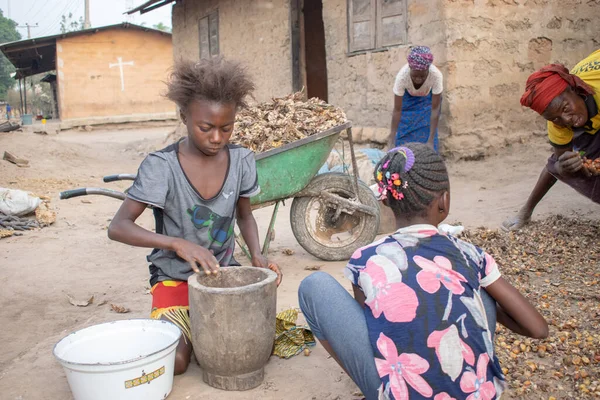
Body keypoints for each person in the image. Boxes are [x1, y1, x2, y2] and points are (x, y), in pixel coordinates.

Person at [299, 143, 548, 400]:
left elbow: (376, 327)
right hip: (476, 394)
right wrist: (475, 300)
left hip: (405, 387)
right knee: (483, 291)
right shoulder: (470, 254)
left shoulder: (365, 258)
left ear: (385, 200)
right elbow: (538, 329)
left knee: (314, 285)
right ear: (444, 201)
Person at [108, 57, 282, 375]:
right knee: (175, 362)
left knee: (253, 346)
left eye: (226, 128)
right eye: (206, 128)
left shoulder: (242, 160)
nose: (217, 137)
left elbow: (245, 217)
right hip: (175, 281)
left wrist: (257, 255)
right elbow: (118, 227)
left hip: (223, 279)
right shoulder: (162, 166)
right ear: (184, 116)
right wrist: (177, 243)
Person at [503, 50, 600, 231]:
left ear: (574, 89)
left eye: (565, 108)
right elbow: (557, 162)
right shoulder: (559, 121)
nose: (566, 119)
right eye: (555, 118)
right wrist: (567, 167)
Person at [387, 46, 443, 152]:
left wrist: (430, 141)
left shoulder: (436, 76)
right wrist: (392, 139)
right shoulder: (402, 77)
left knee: (427, 139)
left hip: (427, 100)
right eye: (415, 76)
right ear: (410, 68)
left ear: (428, 70)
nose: (418, 79)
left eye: (422, 76)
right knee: (403, 138)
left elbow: (435, 109)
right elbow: (397, 110)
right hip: (408, 100)